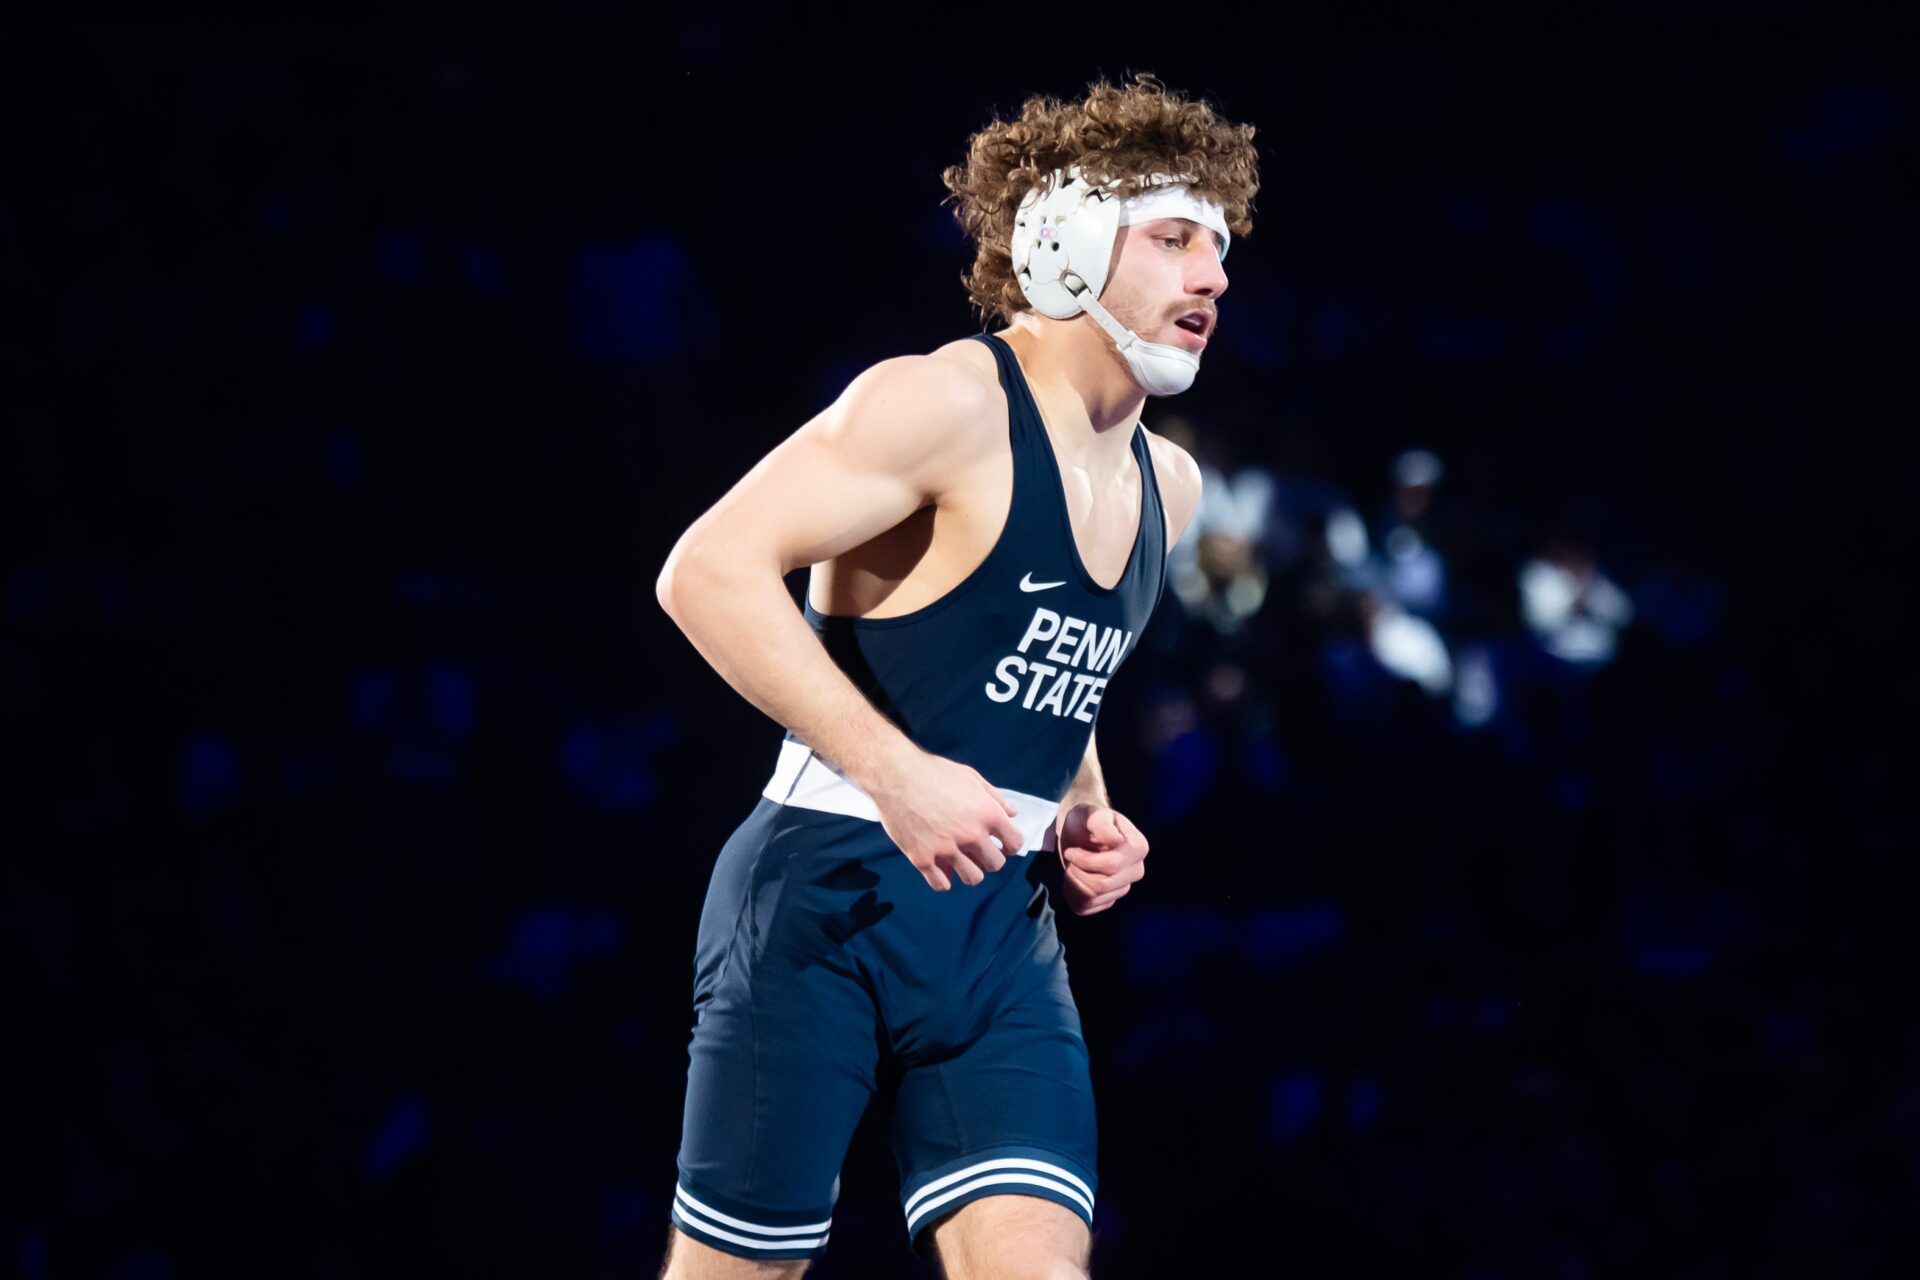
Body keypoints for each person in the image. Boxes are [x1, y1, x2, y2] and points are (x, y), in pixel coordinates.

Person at [653, 74, 1258, 1278]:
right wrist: (895, 772)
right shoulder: (940, 401)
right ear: (1071, 242)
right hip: (823, 899)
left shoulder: (1167, 488)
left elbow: (1046, 685)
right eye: (1178, 238)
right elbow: (706, 570)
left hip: (999, 929)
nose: (1215, 278)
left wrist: (1084, 805)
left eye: (1223, 248)